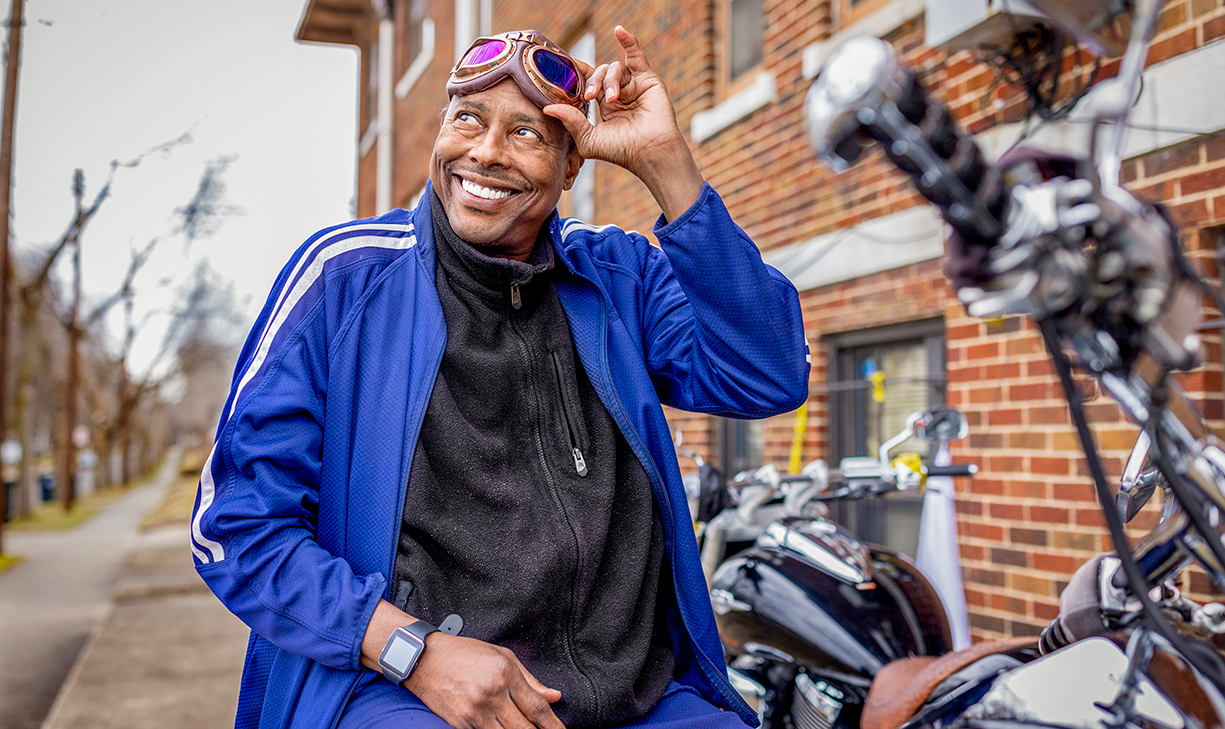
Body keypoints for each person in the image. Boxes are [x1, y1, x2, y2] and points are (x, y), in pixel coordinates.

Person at [192, 26, 809, 729]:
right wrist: (411, 649)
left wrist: (667, 165)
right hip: (404, 692)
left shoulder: (618, 277)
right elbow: (235, 525)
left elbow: (768, 374)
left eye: (526, 132)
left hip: (640, 699)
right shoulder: (346, 278)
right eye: (467, 118)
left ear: (571, 165)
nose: (485, 151)